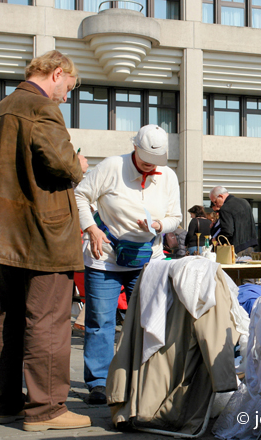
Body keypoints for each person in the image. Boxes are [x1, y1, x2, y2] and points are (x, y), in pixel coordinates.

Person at [0, 50, 92, 431]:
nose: (66, 96)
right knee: (48, 320)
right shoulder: (42, 109)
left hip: (8, 234)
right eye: (69, 88)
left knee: (10, 318)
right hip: (45, 234)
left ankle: (6, 404)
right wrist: (78, 165)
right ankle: (47, 410)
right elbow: (61, 164)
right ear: (57, 74)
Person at [74, 124, 182, 405]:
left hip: (147, 258)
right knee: (100, 321)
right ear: (134, 148)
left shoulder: (168, 176)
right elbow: (80, 195)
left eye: (155, 165)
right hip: (105, 258)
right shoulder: (112, 167)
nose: (150, 169)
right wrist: (91, 228)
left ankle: (143, 376)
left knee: (150, 320)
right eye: (145, 163)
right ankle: (98, 383)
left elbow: (175, 217)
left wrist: (159, 224)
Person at [209, 186, 258, 257]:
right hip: (250, 245)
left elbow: (228, 231)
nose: (216, 205)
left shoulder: (225, 208)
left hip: (237, 248)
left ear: (220, 196)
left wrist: (216, 239)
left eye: (215, 202)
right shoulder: (244, 202)